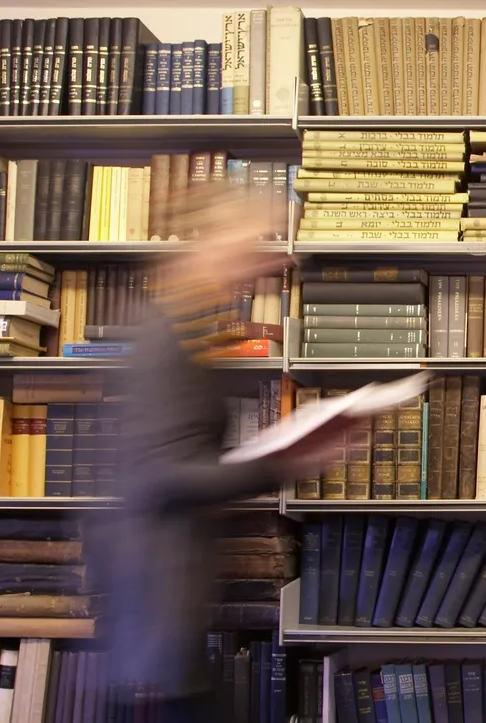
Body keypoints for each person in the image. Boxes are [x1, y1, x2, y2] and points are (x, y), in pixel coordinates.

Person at [95, 185, 335, 722]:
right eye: (252, 244)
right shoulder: (166, 336)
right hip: (153, 587)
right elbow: (161, 472)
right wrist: (279, 462)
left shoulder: (188, 326)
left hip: (168, 589)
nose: (261, 263)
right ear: (213, 241)